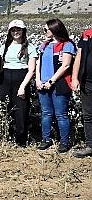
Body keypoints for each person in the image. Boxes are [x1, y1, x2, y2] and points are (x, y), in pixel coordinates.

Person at [35, 18, 75, 153]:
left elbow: (66, 65)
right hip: (43, 84)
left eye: (46, 29)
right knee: (46, 113)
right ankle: (46, 139)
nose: (45, 31)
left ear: (54, 29)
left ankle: (64, 142)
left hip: (59, 84)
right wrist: (38, 79)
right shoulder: (44, 45)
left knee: (61, 114)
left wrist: (51, 81)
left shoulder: (67, 45)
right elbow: (38, 63)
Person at [0, 19, 37, 147]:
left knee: (21, 111)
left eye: (18, 29)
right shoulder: (4, 46)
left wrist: (22, 86)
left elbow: (31, 70)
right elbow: (1, 63)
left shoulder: (30, 47)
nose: (16, 32)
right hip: (5, 78)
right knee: (5, 108)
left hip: (21, 78)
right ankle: (7, 136)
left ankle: (21, 141)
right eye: (13, 30)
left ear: (23, 31)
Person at [72, 24, 92, 157]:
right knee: (88, 115)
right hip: (87, 81)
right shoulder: (87, 35)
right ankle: (90, 145)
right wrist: (74, 78)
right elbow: (78, 57)